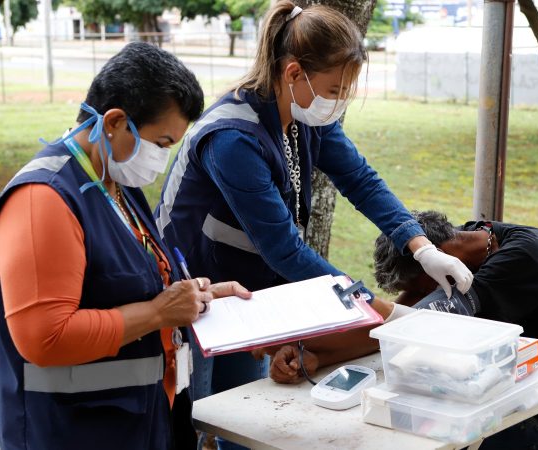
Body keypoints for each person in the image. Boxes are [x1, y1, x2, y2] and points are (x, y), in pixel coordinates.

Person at [154, 3, 473, 447]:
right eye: (335, 88)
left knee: (244, 421)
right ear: (293, 74)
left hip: (247, 298)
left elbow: (360, 179)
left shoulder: (305, 118)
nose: (339, 100)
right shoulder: (233, 138)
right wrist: (383, 312)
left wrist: (421, 247)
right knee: (192, 423)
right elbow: (284, 249)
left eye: (347, 89)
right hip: (190, 295)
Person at [0, 42, 251, 450]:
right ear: (114, 122)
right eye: (161, 143)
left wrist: (194, 297)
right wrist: (157, 312)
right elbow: (44, 337)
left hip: (137, 420)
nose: (162, 158)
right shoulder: (42, 201)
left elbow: (127, 283)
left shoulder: (115, 183)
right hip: (73, 431)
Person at [270, 211, 538, 449]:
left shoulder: (528, 258)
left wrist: (361, 307)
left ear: (436, 261)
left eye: (420, 290)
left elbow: (416, 320)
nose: (417, 300)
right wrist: (312, 353)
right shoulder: (469, 245)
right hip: (487, 399)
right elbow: (400, 324)